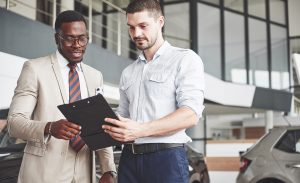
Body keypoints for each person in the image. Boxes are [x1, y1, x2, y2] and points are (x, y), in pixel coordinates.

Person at [7, 10, 116, 183]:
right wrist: (49, 127)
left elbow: (100, 126)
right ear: (57, 38)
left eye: (82, 38)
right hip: (44, 172)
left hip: (84, 173)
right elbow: (14, 122)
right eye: (69, 38)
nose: (77, 45)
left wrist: (108, 170)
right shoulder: (34, 69)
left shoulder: (96, 76)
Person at [102, 0, 205, 183]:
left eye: (143, 26)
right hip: (129, 159)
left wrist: (140, 130)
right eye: (131, 28)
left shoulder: (185, 59)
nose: (136, 34)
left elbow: (190, 114)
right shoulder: (128, 72)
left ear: (160, 22)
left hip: (167, 159)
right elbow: (123, 116)